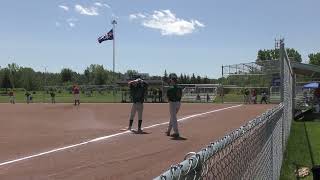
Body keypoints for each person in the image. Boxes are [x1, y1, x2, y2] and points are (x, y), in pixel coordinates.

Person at [165, 73, 183, 138]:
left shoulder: (170, 88)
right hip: (178, 103)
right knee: (173, 117)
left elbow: (168, 97)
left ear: (173, 81)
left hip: (172, 103)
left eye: (171, 81)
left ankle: (176, 132)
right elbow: (181, 95)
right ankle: (168, 130)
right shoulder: (180, 88)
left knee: (173, 117)